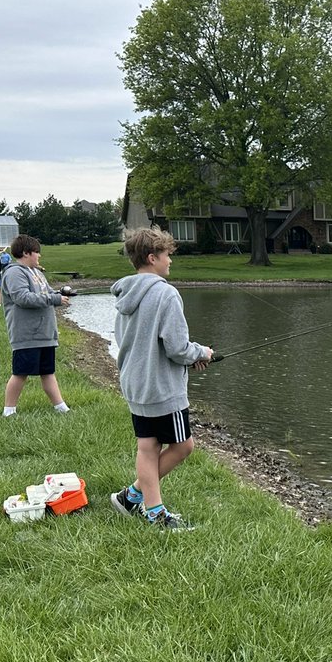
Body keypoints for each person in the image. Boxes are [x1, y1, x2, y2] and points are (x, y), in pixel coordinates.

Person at [109, 227, 212, 531]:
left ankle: (131, 500)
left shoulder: (124, 293)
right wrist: (201, 353)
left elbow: (141, 341)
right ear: (152, 257)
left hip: (134, 383)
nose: (170, 262)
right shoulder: (166, 293)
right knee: (183, 447)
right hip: (162, 388)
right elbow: (178, 347)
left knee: (147, 446)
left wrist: (187, 357)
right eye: (167, 255)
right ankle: (152, 510)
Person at [0, 234, 71, 417]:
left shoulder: (37, 272)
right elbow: (22, 298)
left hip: (45, 333)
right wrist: (54, 299)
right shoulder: (14, 273)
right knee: (20, 373)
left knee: (48, 371)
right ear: (26, 253)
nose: (39, 256)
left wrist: (59, 294)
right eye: (37, 253)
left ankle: (61, 407)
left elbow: (45, 292)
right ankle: (9, 411)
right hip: (26, 334)